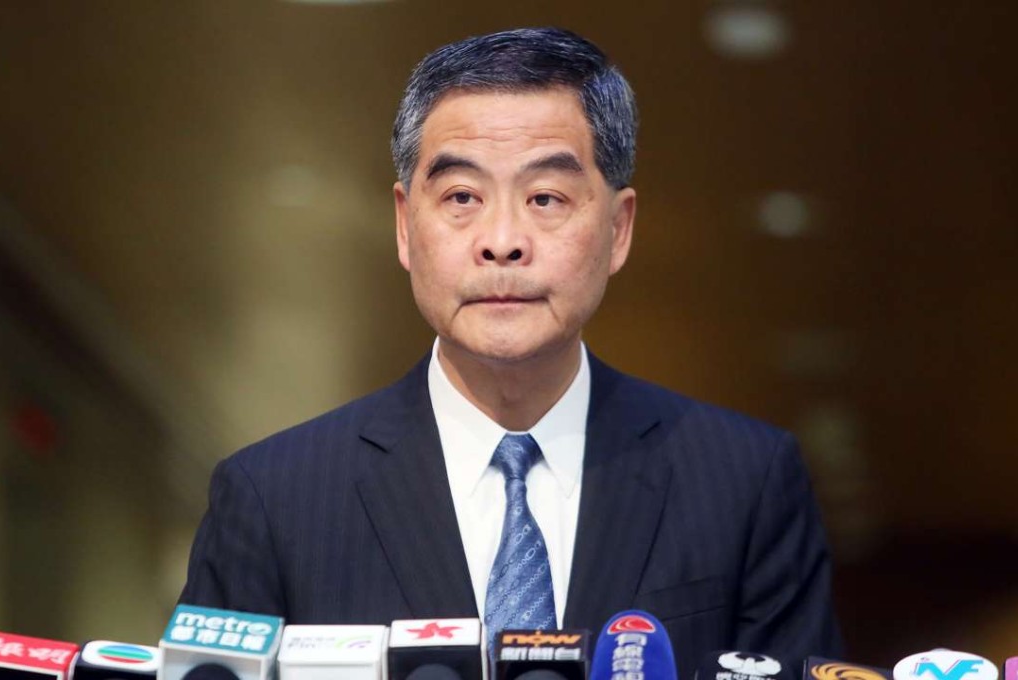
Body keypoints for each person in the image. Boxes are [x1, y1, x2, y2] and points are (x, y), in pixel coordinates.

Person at [179, 27, 842, 674]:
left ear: (618, 229)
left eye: (545, 197)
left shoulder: (744, 482)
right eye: (462, 197)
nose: (502, 240)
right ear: (406, 227)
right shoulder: (273, 499)